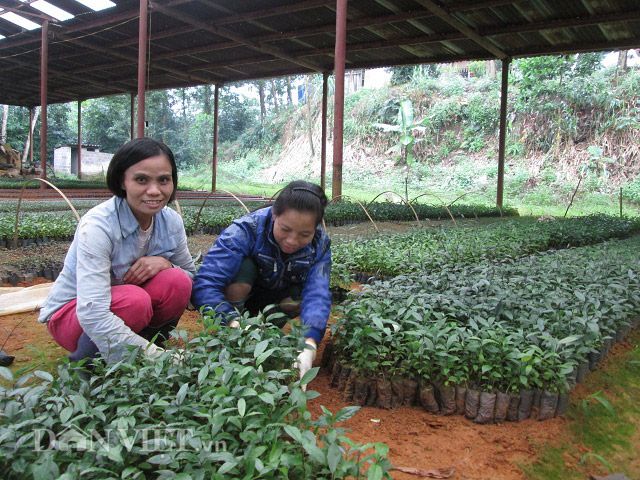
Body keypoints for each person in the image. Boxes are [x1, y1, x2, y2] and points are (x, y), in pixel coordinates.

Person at [38, 138, 195, 363]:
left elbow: (190, 276)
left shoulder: (171, 222)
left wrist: (166, 263)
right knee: (135, 300)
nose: (154, 191)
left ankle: (143, 347)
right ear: (122, 181)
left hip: (127, 309)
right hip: (74, 316)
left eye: (164, 180)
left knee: (177, 281)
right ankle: (89, 363)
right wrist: (161, 359)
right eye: (141, 180)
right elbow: (92, 312)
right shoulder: (97, 227)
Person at [192, 180, 331, 381]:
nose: (292, 240)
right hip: (241, 301)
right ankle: (231, 338)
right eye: (285, 229)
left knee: (301, 296)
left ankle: (267, 333)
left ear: (316, 228)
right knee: (243, 268)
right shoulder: (245, 230)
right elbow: (205, 284)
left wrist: (309, 345)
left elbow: (317, 294)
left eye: (304, 234)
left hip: (274, 300)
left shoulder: (320, 244)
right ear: (274, 214)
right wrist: (232, 321)